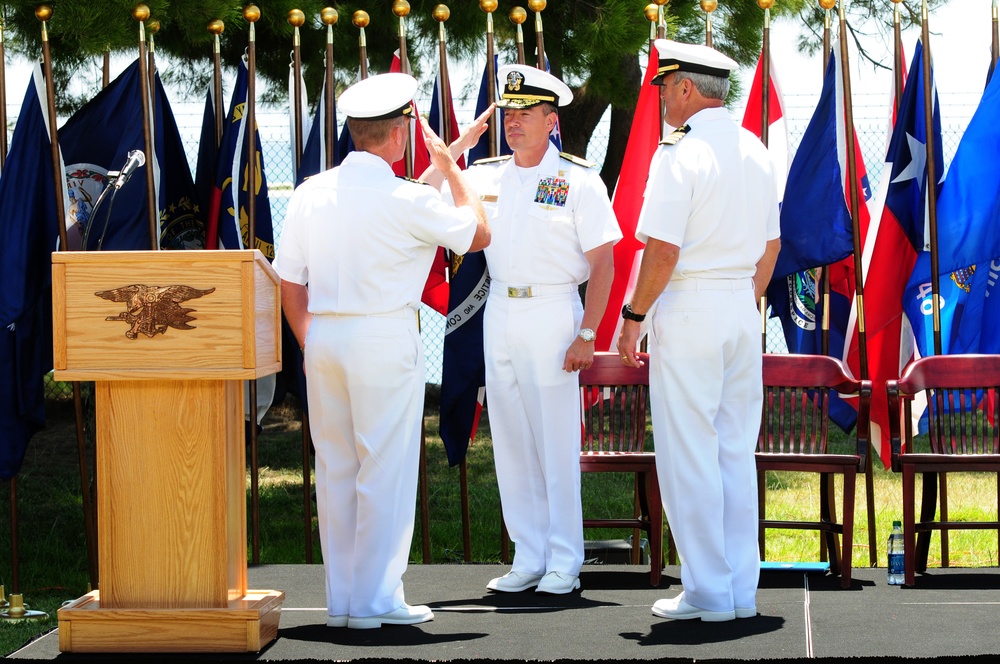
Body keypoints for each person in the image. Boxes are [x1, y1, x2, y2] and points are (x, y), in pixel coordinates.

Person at [274, 72, 489, 630]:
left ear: (352, 132)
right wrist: (451, 169)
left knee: (338, 467)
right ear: (399, 134)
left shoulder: (309, 192)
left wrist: (307, 338)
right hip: (382, 337)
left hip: (322, 336)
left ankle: (345, 599)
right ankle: (376, 600)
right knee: (385, 468)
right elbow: (478, 232)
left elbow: (289, 283)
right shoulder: (408, 197)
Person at [436, 65, 621, 595]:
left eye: (524, 115)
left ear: (551, 120)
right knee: (512, 439)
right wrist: (460, 143)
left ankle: (565, 558)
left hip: (552, 311)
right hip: (501, 310)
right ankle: (529, 554)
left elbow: (603, 262)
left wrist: (587, 334)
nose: (512, 123)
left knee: (555, 441)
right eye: (508, 114)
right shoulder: (488, 174)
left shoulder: (579, 180)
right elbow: (425, 189)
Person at [617, 39, 781, 622]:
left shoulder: (679, 153)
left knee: (689, 453)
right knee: (734, 451)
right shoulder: (754, 148)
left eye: (664, 86)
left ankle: (707, 592)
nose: (661, 96)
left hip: (688, 307)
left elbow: (662, 249)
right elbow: (771, 247)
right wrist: (743, 298)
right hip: (741, 304)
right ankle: (738, 589)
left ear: (687, 88)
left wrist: (633, 317)